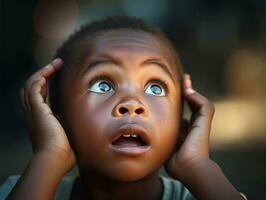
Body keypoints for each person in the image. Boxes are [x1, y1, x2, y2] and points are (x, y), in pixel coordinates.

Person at [0, 16, 246, 200]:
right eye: (103, 85)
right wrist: (50, 156)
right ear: (57, 122)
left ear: (181, 128)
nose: (131, 104)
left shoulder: (207, 192)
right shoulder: (27, 189)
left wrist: (197, 165)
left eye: (155, 88)